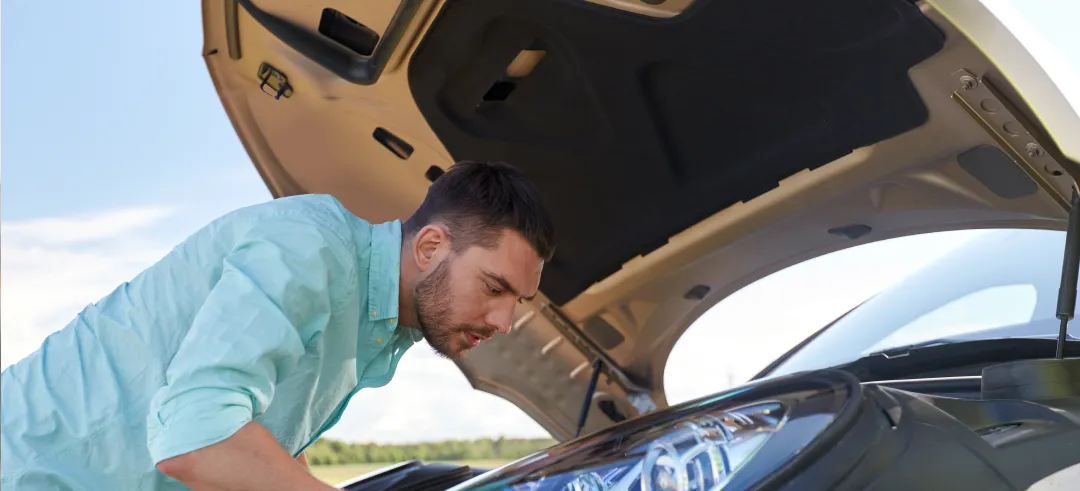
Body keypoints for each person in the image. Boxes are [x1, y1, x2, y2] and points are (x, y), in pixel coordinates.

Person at [0, 161, 556, 491]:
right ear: (432, 246)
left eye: (518, 300)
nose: (505, 321)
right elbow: (197, 433)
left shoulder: (383, 322)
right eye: (494, 287)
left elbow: (261, 439)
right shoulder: (310, 246)